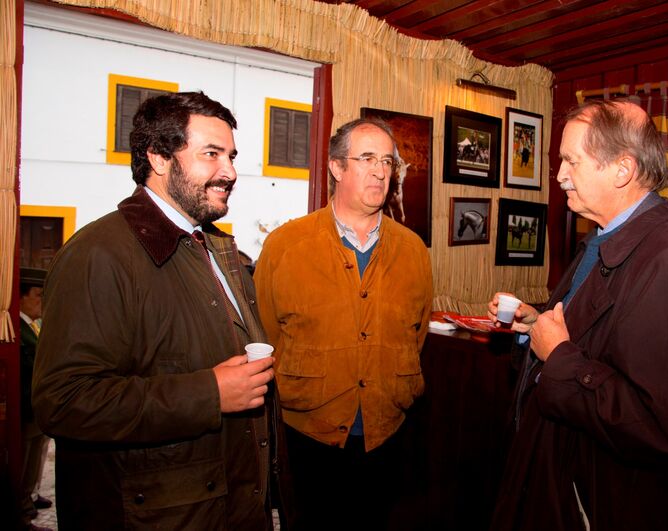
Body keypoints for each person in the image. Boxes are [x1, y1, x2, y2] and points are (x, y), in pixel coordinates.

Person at [32, 92, 290, 530]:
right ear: (158, 157)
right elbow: (64, 402)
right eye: (211, 154)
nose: (229, 172)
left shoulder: (220, 249)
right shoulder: (98, 254)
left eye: (231, 156)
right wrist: (208, 394)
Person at [488, 100, 668, 531]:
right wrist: (534, 323)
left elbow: (660, 424)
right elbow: (597, 339)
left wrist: (557, 356)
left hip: (601, 502)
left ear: (622, 170)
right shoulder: (601, 240)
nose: (559, 175)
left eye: (570, 161)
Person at [254, 118, 433, 531]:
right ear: (336, 167)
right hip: (308, 435)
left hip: (387, 433)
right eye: (367, 158)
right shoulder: (285, 246)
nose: (380, 171)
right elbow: (266, 333)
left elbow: (416, 333)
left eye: (387, 161)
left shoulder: (413, 250)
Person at [18, 267, 52, 531]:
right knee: (23, 464)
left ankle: (30, 497)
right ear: (22, 298)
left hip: (38, 408)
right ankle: (21, 512)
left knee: (37, 458)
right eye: (38, 295)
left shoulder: (35, 325)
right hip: (25, 409)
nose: (42, 302)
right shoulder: (16, 329)